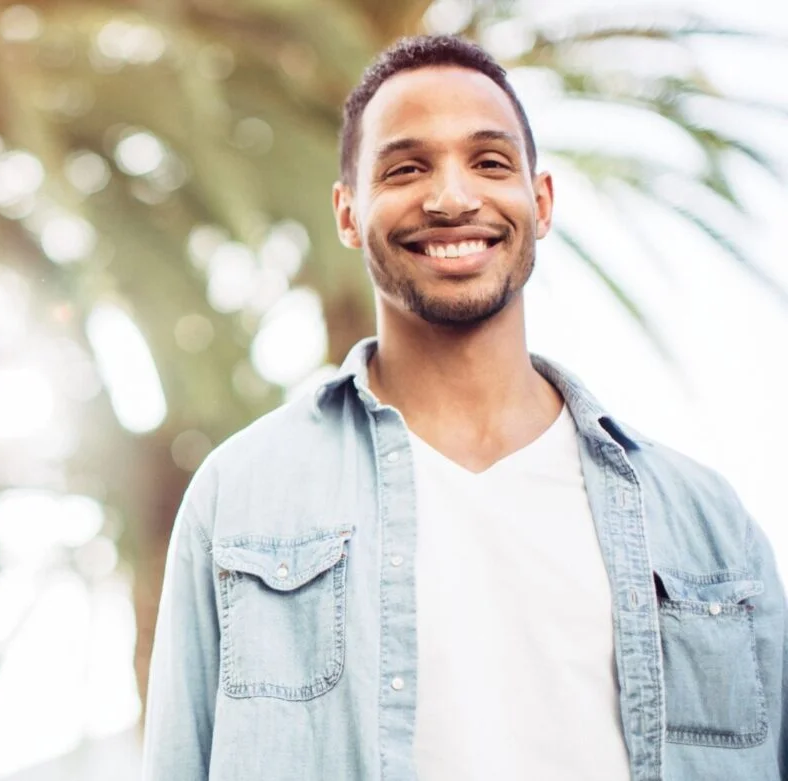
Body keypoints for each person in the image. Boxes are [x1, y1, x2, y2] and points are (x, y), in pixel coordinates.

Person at [142, 34, 787, 781]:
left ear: (540, 202)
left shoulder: (708, 522)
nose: (451, 198)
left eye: (489, 161)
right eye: (407, 167)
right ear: (348, 214)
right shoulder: (242, 497)